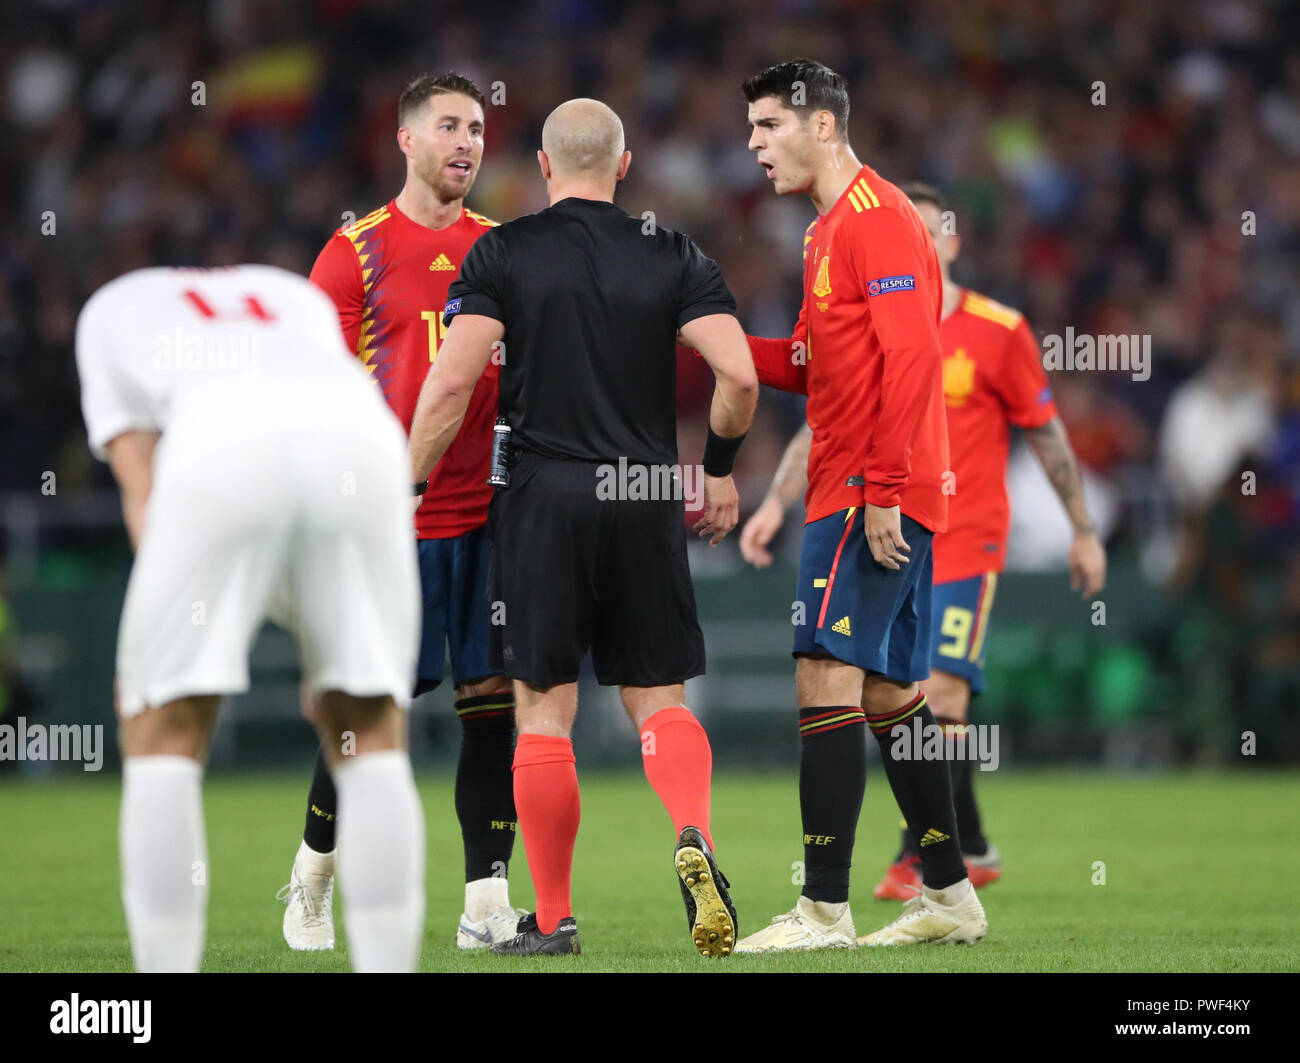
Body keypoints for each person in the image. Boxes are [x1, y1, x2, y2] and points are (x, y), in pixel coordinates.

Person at [407, 98, 759, 957]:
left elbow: (452, 384)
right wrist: (713, 469)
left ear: (543, 165)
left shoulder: (503, 251)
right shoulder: (673, 252)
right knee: (657, 696)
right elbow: (741, 376)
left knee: (543, 708)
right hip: (642, 489)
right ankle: (691, 833)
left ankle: (556, 918)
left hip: (543, 492)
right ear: (627, 165)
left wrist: (405, 480)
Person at [741, 183, 1108, 904]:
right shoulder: (870, 322)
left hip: (966, 541)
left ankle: (921, 857)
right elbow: (824, 420)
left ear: (952, 241)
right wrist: (773, 505)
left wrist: (1084, 528)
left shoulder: (998, 329)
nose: (919, 242)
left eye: (932, 230)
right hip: (889, 530)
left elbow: (1045, 431)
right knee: (892, 693)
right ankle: (964, 844)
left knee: (940, 690)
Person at [75, 264, 424, 972]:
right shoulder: (285, 291)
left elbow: (144, 490)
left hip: (220, 443)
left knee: (165, 729)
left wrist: (162, 651)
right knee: (372, 728)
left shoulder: (109, 309)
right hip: (365, 440)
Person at [733, 59, 985, 951]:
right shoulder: (823, 233)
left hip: (865, 489)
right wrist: (717, 342)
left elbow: (913, 360)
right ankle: (952, 895)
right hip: (868, 485)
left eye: (768, 125)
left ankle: (823, 910)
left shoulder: (878, 222)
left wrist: (879, 489)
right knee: (888, 693)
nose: (755, 144)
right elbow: (814, 366)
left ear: (822, 126)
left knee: (822, 679)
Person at [283, 72, 521, 952]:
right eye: (451, 125)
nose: (467, 142)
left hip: (486, 518)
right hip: (391, 524)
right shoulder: (353, 253)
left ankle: (486, 905)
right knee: (370, 707)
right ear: (408, 140)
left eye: (479, 128)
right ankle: (313, 869)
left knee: (490, 701)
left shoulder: (501, 250)